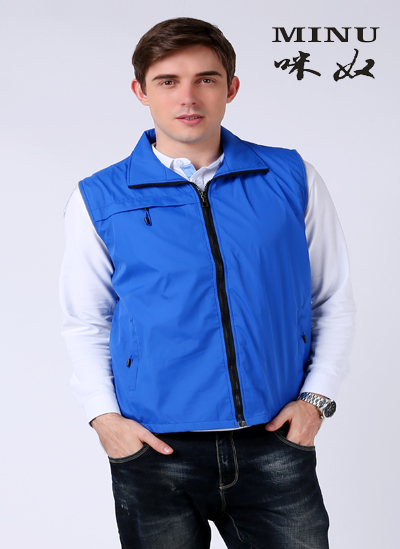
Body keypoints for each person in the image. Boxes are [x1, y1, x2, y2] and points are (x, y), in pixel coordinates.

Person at [60, 17, 355, 549]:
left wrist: (317, 398)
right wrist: (104, 419)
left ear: (231, 87)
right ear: (141, 91)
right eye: (168, 81)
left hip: (273, 442)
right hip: (154, 450)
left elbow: (330, 298)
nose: (188, 97)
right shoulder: (99, 198)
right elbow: (86, 319)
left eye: (206, 79)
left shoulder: (291, 177)